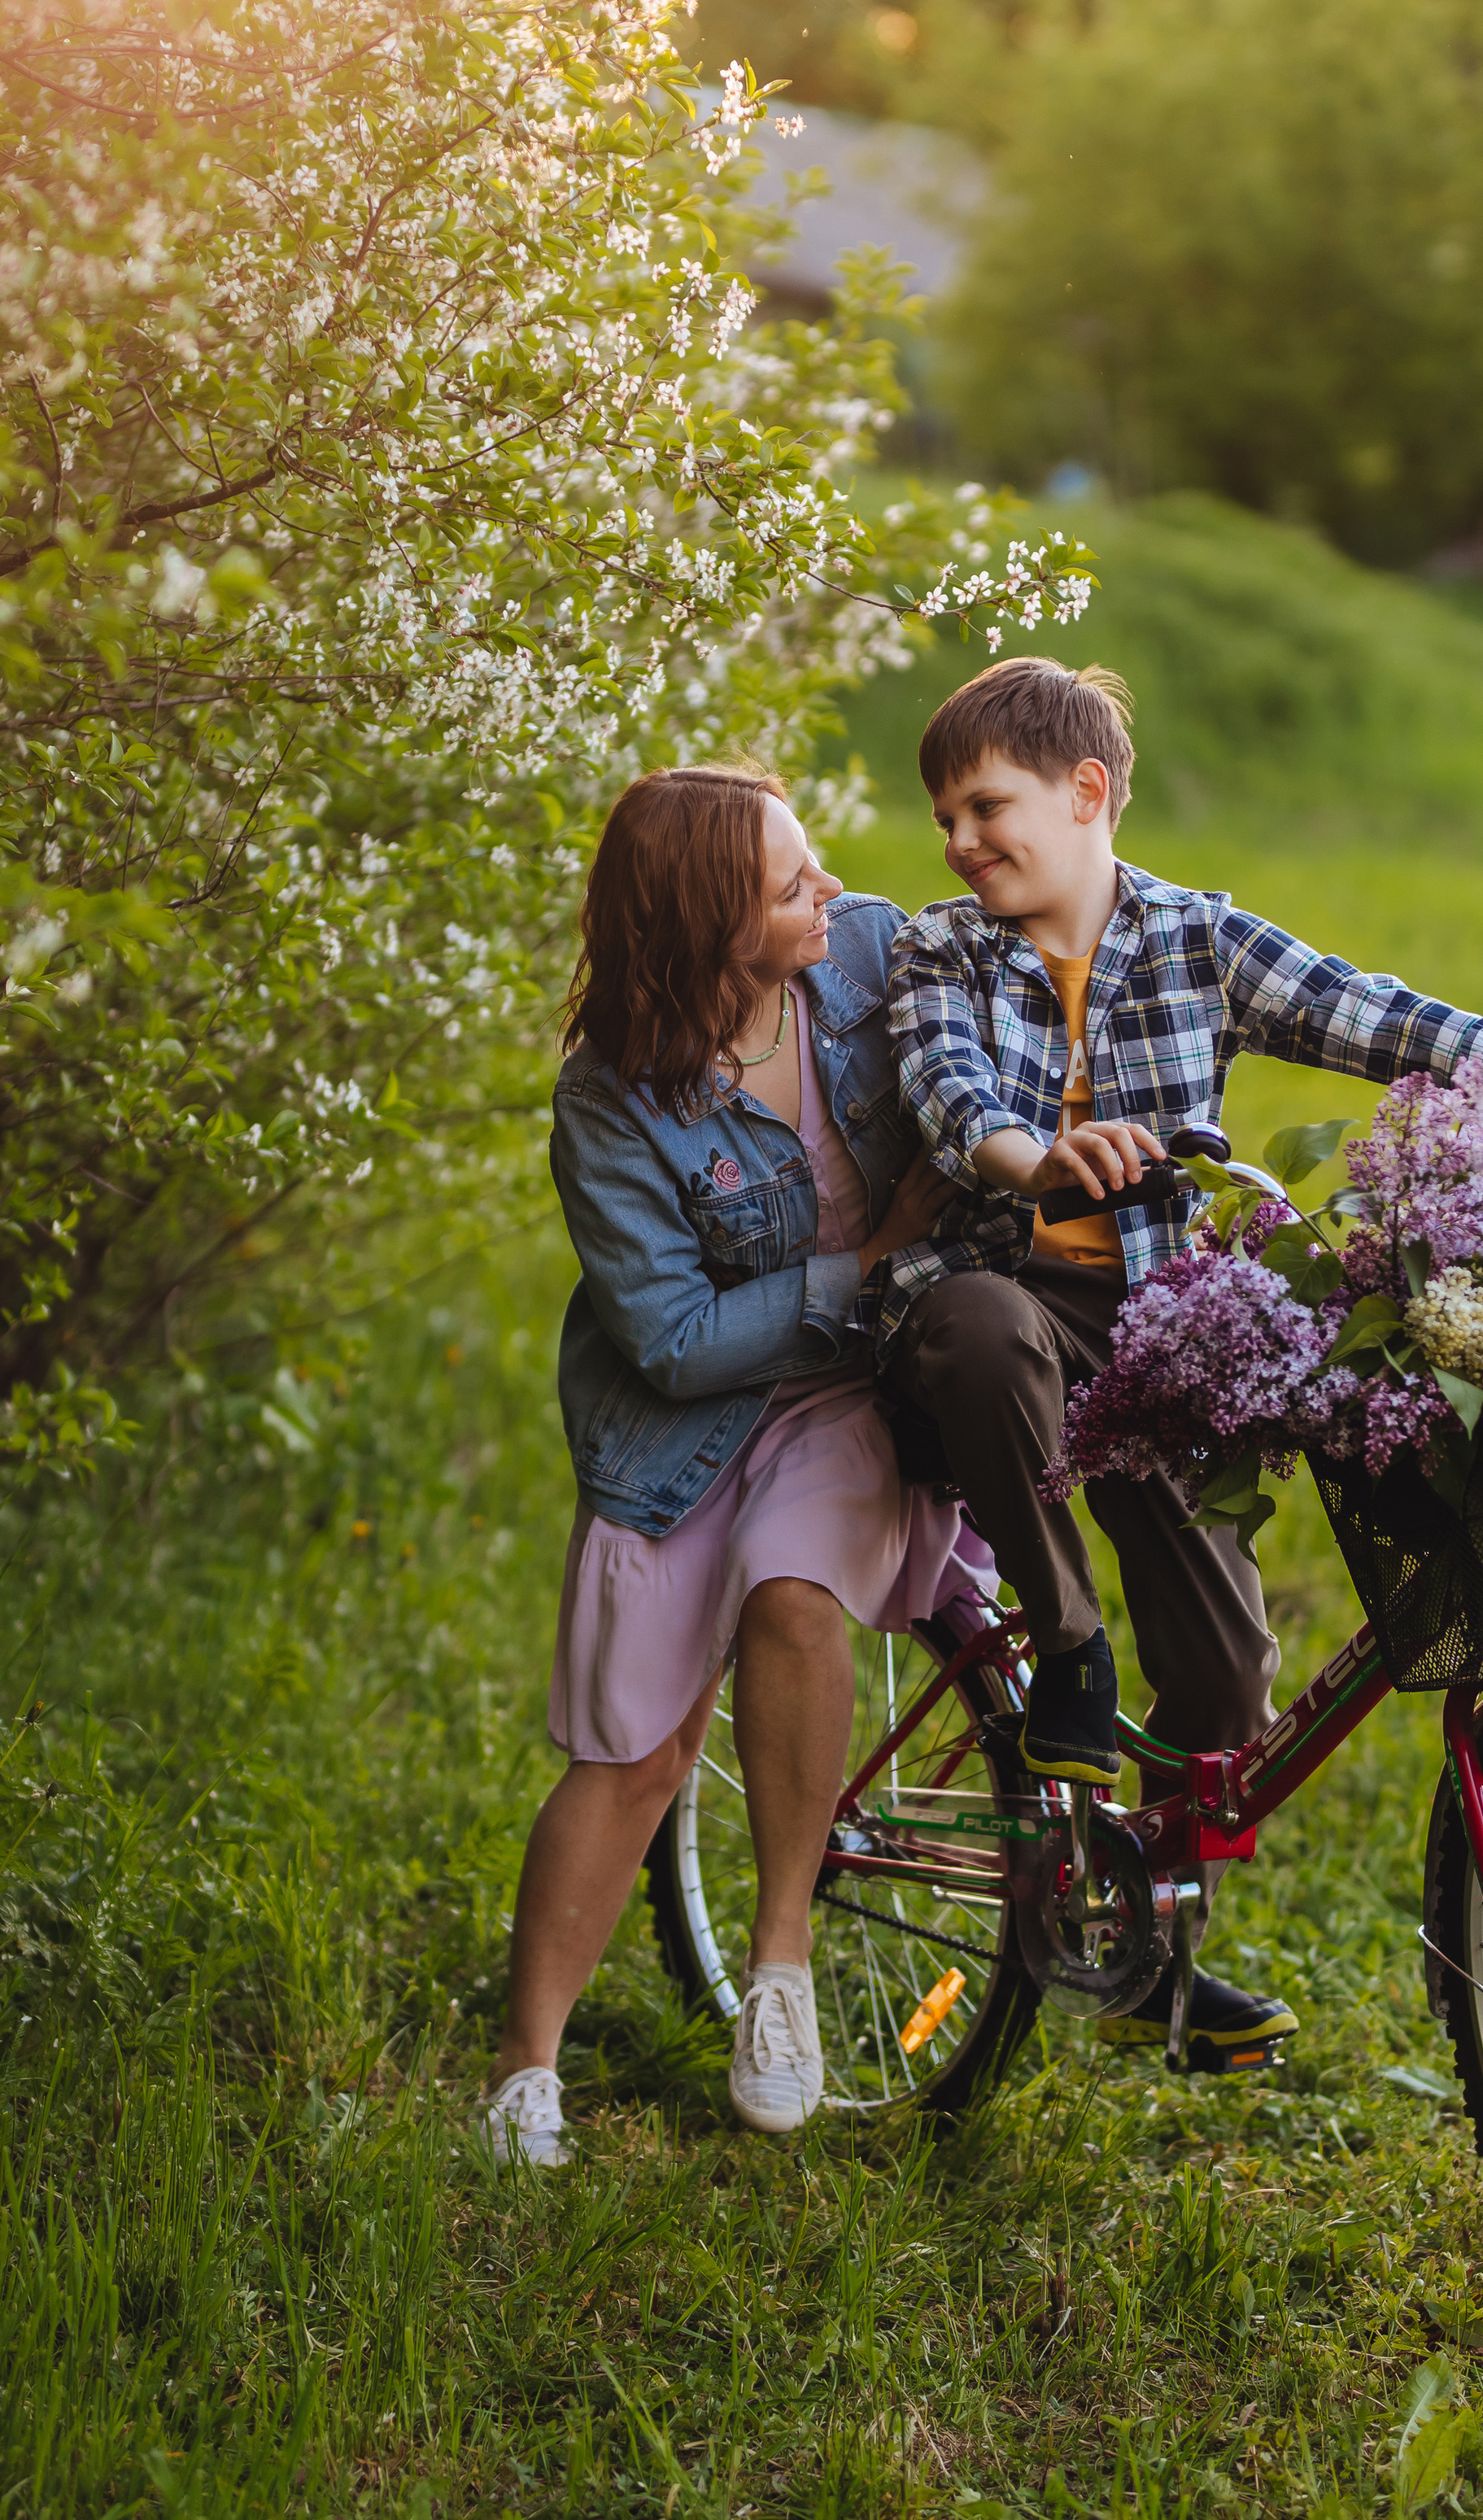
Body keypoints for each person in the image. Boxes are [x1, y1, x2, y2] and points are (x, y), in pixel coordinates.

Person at [884, 657, 1483, 2070]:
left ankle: (1139, 1939)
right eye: (949, 819)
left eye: (986, 807)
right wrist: (1043, 1163)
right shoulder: (937, 951)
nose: (962, 843)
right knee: (979, 1320)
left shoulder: (1198, 940)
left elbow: (1402, 1024)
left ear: (1086, 794)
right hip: (994, 1301)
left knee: (1225, 1701)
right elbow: (949, 1091)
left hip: (1160, 1334)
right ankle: (1068, 1653)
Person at [482, 766, 991, 2168]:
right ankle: (525, 2075)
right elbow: (672, 1337)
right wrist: (869, 1262)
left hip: (852, 1397)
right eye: (786, 884)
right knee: (635, 1754)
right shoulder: (610, 1106)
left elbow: (1051, 956)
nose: (826, 889)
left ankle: (780, 1969)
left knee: (791, 1594)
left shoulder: (874, 958)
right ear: (709, 930)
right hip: (679, 1429)